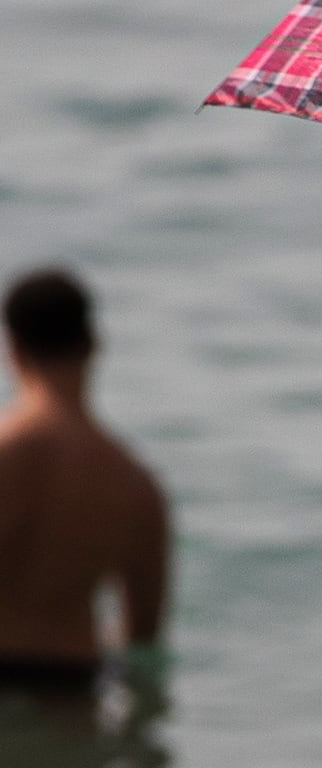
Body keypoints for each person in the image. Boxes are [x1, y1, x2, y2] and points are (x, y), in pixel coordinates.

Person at [0, 269, 169, 695]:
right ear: (94, 345)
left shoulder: (6, 452)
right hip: (74, 688)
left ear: (13, 349)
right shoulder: (138, 486)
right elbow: (143, 638)